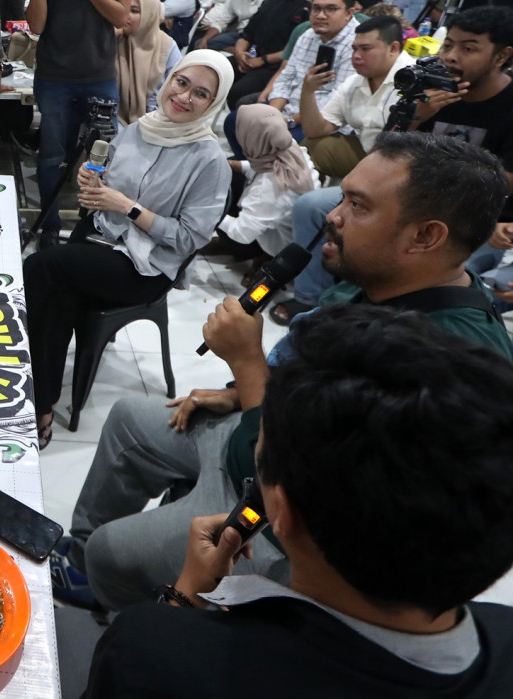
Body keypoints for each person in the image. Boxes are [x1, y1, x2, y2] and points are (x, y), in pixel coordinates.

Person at [63, 132, 513, 612]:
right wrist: (240, 391)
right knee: (130, 419)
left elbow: (300, 487)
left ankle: (122, 604)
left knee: (115, 551)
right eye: (343, 197)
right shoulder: (373, 282)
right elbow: (304, 379)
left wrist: (248, 363)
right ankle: (80, 560)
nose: (332, 216)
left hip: (281, 515)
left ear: (426, 236)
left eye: (358, 206)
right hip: (257, 435)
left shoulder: (455, 371)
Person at [81, 304, 513, 697]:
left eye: (262, 445)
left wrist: (182, 599)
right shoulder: (502, 631)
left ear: (279, 512)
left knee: (103, 559)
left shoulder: (157, 655)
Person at [24, 51, 234, 446]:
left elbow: (189, 239)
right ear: (169, 79)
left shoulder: (209, 162)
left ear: (213, 104)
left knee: (41, 267)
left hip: (145, 266)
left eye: (201, 94)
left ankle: (24, 380)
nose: (185, 97)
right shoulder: (139, 129)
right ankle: (41, 403)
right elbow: (102, 195)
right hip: (103, 236)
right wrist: (92, 181)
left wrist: (128, 208)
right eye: (182, 83)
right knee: (59, 294)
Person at [276, 6, 513, 325]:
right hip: (403, 199)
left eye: (468, 48)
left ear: (502, 56)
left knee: (400, 254)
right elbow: (384, 152)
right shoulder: (432, 88)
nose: (452, 56)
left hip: (477, 223)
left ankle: (368, 320)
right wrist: (417, 118)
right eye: (448, 45)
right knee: (313, 206)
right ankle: (310, 300)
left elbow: (502, 183)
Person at [24, 0, 139, 239]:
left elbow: (121, 16)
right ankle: (49, 230)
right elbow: (36, 25)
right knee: (52, 157)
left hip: (99, 72)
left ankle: (91, 230)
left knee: (103, 158)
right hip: (55, 73)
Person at [298, 14, 414, 180]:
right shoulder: (354, 81)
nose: (356, 56)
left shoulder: (417, 81)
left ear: (393, 48)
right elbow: (315, 131)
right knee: (310, 147)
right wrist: (308, 91)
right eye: (354, 49)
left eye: (365, 49)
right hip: (366, 152)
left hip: (403, 164)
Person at [217, 104, 318, 260]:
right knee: (231, 170)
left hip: (283, 247)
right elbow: (265, 165)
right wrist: (234, 165)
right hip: (294, 226)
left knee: (218, 193)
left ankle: (252, 255)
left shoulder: (270, 187)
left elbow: (241, 233)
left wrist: (209, 212)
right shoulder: (287, 145)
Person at [227, 0, 318, 105]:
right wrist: (239, 54)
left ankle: (242, 125)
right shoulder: (271, 2)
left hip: (275, 67)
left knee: (238, 92)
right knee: (214, 71)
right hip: (252, 58)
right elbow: (247, 34)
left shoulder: (309, 9)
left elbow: (294, 50)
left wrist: (262, 60)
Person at [115, 0, 177, 124]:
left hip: (158, 120)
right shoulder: (114, 39)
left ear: (150, 15)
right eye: (124, 9)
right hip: (114, 120)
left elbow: (176, 90)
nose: (126, 16)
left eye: (134, 11)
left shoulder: (167, 46)